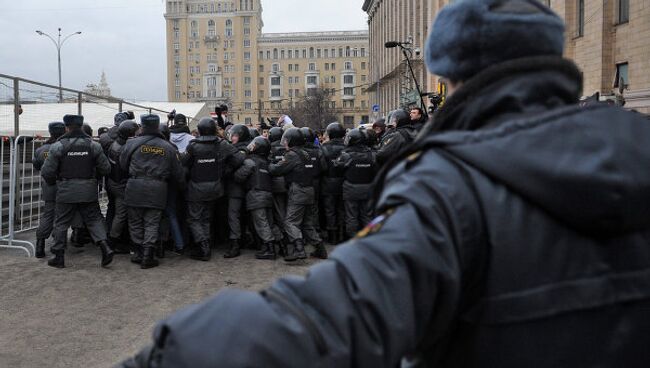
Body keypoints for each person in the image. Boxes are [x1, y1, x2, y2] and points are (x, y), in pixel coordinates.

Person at [123, 1, 650, 366]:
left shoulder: (451, 183)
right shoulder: (638, 144)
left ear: (451, 74)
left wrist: (174, 354)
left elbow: (337, 319)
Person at [40, 115, 112, 269]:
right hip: (88, 190)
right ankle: (105, 248)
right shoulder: (94, 145)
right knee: (94, 220)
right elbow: (106, 168)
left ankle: (58, 257)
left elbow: (47, 172)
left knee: (61, 222)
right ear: (81, 126)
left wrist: (56, 183)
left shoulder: (59, 146)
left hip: (66, 190)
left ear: (66, 127)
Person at [120, 114, 185, 269]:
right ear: (157, 126)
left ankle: (138, 253)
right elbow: (178, 173)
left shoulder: (131, 144)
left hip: (135, 185)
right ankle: (148, 255)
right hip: (158, 188)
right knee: (152, 222)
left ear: (142, 126)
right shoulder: (168, 147)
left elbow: (122, 165)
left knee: (135, 220)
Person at [183, 118, 244, 261]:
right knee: (206, 217)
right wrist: (224, 171)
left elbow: (184, 165)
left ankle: (203, 247)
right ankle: (206, 244)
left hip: (196, 189)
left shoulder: (193, 146)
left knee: (194, 218)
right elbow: (238, 160)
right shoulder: (222, 144)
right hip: (215, 188)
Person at [234, 136, 278, 260]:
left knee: (261, 223)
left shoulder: (250, 161)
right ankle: (280, 244)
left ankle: (269, 249)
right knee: (269, 223)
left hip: (256, 195)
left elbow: (239, 176)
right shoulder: (267, 161)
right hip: (268, 195)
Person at [334, 129, 377, 239]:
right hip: (368, 188)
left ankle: (353, 239)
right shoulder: (372, 154)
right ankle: (369, 239)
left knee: (351, 216)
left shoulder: (346, 155)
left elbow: (337, 167)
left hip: (351, 189)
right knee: (367, 215)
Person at [33, 122, 66, 258]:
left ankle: (40, 245)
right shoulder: (64, 147)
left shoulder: (41, 150)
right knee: (62, 216)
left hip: (48, 185)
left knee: (48, 214)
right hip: (64, 184)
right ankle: (58, 246)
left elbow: (36, 165)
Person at [106, 120, 139, 254]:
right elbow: (128, 168)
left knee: (120, 214)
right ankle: (114, 242)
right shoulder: (124, 148)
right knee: (124, 215)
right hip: (122, 185)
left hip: (115, 183)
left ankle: (113, 241)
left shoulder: (116, 144)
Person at [224, 124, 253, 258]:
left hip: (236, 188)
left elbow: (233, 165)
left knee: (233, 215)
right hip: (242, 189)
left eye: (234, 135)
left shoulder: (241, 150)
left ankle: (235, 243)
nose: (232, 138)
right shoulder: (247, 147)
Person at [298, 127, 326, 259]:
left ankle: (304, 237)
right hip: (316, 183)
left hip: (302, 184)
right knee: (314, 209)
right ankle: (315, 235)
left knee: (299, 211)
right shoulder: (319, 151)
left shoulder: (299, 152)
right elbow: (324, 167)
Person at [319, 122, 346, 244]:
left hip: (328, 183)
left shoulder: (324, 148)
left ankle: (332, 236)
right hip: (344, 182)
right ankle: (341, 234)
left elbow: (322, 167)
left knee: (330, 210)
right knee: (341, 208)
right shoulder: (347, 146)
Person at [268, 127, 289, 256]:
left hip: (276, 185)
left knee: (279, 213)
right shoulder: (287, 149)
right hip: (288, 184)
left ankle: (284, 239)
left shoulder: (270, 149)